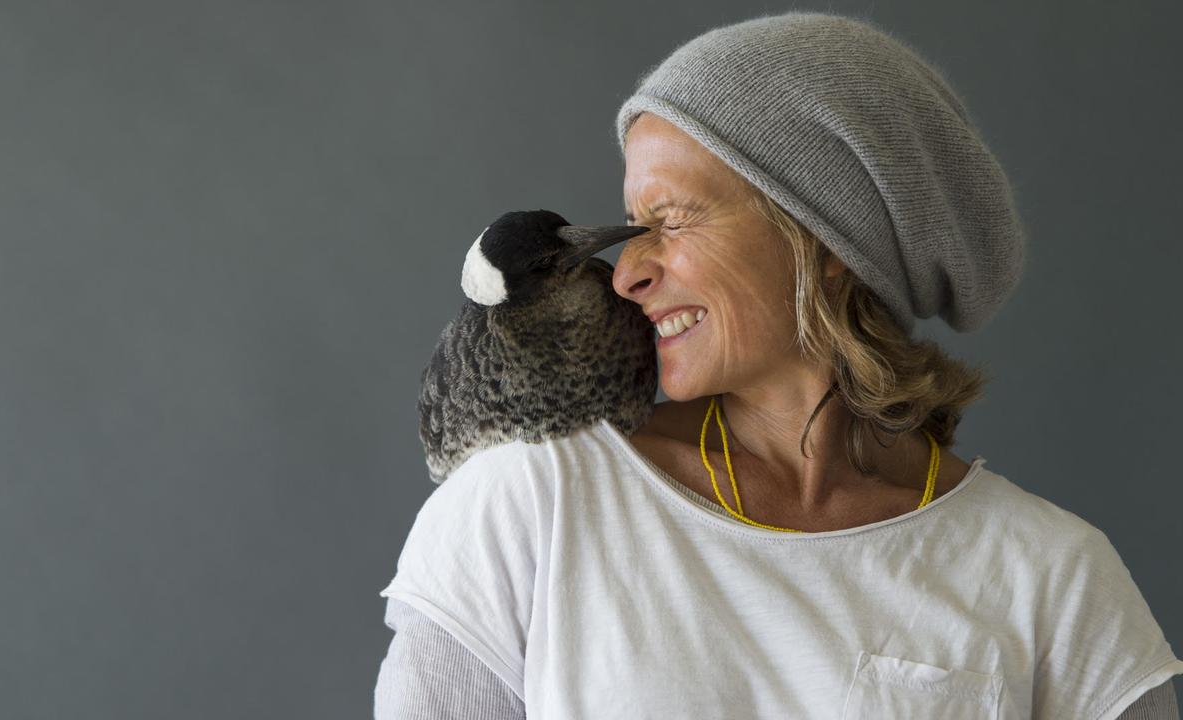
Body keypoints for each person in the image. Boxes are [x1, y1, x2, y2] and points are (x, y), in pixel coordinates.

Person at [374, 11, 1182, 719]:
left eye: (672, 219)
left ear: (824, 243)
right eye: (632, 225)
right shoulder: (533, 505)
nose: (625, 271)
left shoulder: (1052, 578)